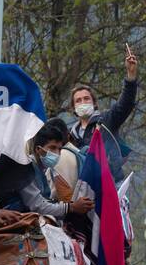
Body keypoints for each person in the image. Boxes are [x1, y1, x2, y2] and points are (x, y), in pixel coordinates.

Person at [58, 48, 139, 179]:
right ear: (73, 108)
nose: (83, 102)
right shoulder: (69, 136)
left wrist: (131, 76)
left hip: (110, 183)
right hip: (83, 189)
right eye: (78, 101)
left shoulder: (106, 120)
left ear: (94, 103)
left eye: (86, 99)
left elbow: (125, 104)